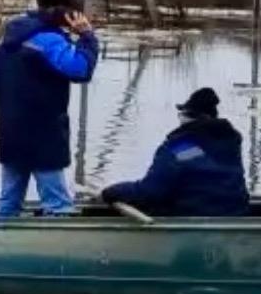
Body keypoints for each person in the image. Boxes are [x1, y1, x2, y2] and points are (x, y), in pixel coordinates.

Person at [0, 0, 100, 218]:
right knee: (58, 206)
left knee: (8, 203)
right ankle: (60, 252)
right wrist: (87, 37)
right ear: (66, 11)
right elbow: (80, 69)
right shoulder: (49, 40)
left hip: (10, 133)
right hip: (44, 136)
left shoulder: (7, 38)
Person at [99, 87, 249, 217]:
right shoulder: (229, 144)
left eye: (181, 114)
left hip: (193, 217)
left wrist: (111, 192)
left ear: (189, 117)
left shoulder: (180, 149)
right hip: (235, 213)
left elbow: (149, 192)